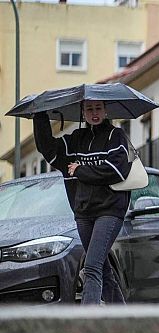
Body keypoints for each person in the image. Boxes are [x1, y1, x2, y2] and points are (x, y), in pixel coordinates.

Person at [33, 100, 132, 304]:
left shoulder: (116, 136)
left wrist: (80, 170)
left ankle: (87, 321)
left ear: (105, 111)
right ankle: (124, 319)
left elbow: (116, 171)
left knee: (92, 266)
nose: (94, 113)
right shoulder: (76, 139)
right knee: (103, 270)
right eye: (89, 109)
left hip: (110, 211)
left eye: (98, 108)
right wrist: (40, 116)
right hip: (84, 213)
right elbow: (48, 148)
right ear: (83, 112)